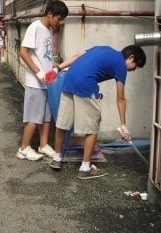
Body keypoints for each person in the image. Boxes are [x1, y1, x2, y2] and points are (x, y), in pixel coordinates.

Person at [48, 44, 146, 179]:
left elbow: (77, 56)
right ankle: (85, 168)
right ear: (131, 57)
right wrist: (123, 125)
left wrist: (57, 68)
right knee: (92, 128)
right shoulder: (121, 65)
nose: (133, 70)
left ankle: (57, 158)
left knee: (63, 123)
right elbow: (121, 98)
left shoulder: (103, 48)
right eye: (135, 66)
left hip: (69, 79)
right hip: (86, 84)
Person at [16, 0, 68, 161]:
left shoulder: (49, 30)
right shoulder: (35, 28)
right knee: (33, 116)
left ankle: (43, 145)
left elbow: (44, 56)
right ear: (49, 14)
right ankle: (23, 149)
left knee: (46, 116)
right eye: (59, 19)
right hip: (35, 82)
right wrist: (39, 73)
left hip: (47, 82)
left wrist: (57, 66)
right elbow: (23, 52)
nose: (60, 22)